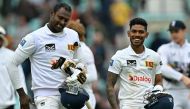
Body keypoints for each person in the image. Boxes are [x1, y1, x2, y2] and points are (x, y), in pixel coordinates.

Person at [6, 3, 86, 109]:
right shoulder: (34, 38)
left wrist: (78, 72)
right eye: (60, 17)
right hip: (46, 97)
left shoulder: (73, 35)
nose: (62, 22)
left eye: (66, 20)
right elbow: (11, 63)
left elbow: (80, 61)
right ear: (52, 14)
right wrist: (21, 94)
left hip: (69, 95)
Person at [106, 17, 164, 109]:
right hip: (128, 105)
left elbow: (159, 81)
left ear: (146, 35)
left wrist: (158, 89)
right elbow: (110, 86)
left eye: (141, 32)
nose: (137, 35)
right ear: (129, 33)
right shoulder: (119, 56)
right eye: (134, 31)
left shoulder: (155, 56)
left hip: (149, 105)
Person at [157, 20, 190, 109]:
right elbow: (162, 68)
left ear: (184, 31)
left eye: (176, 31)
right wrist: (182, 77)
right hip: (172, 91)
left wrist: (171, 69)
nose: (174, 34)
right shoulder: (164, 49)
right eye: (171, 31)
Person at [67, 20, 98, 109]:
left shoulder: (84, 50)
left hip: (84, 98)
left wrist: (74, 79)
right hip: (73, 97)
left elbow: (93, 76)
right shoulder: (71, 49)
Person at [0, 25, 27, 109]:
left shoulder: (11, 56)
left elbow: (20, 79)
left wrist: (23, 99)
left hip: (7, 104)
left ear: (2, 40)